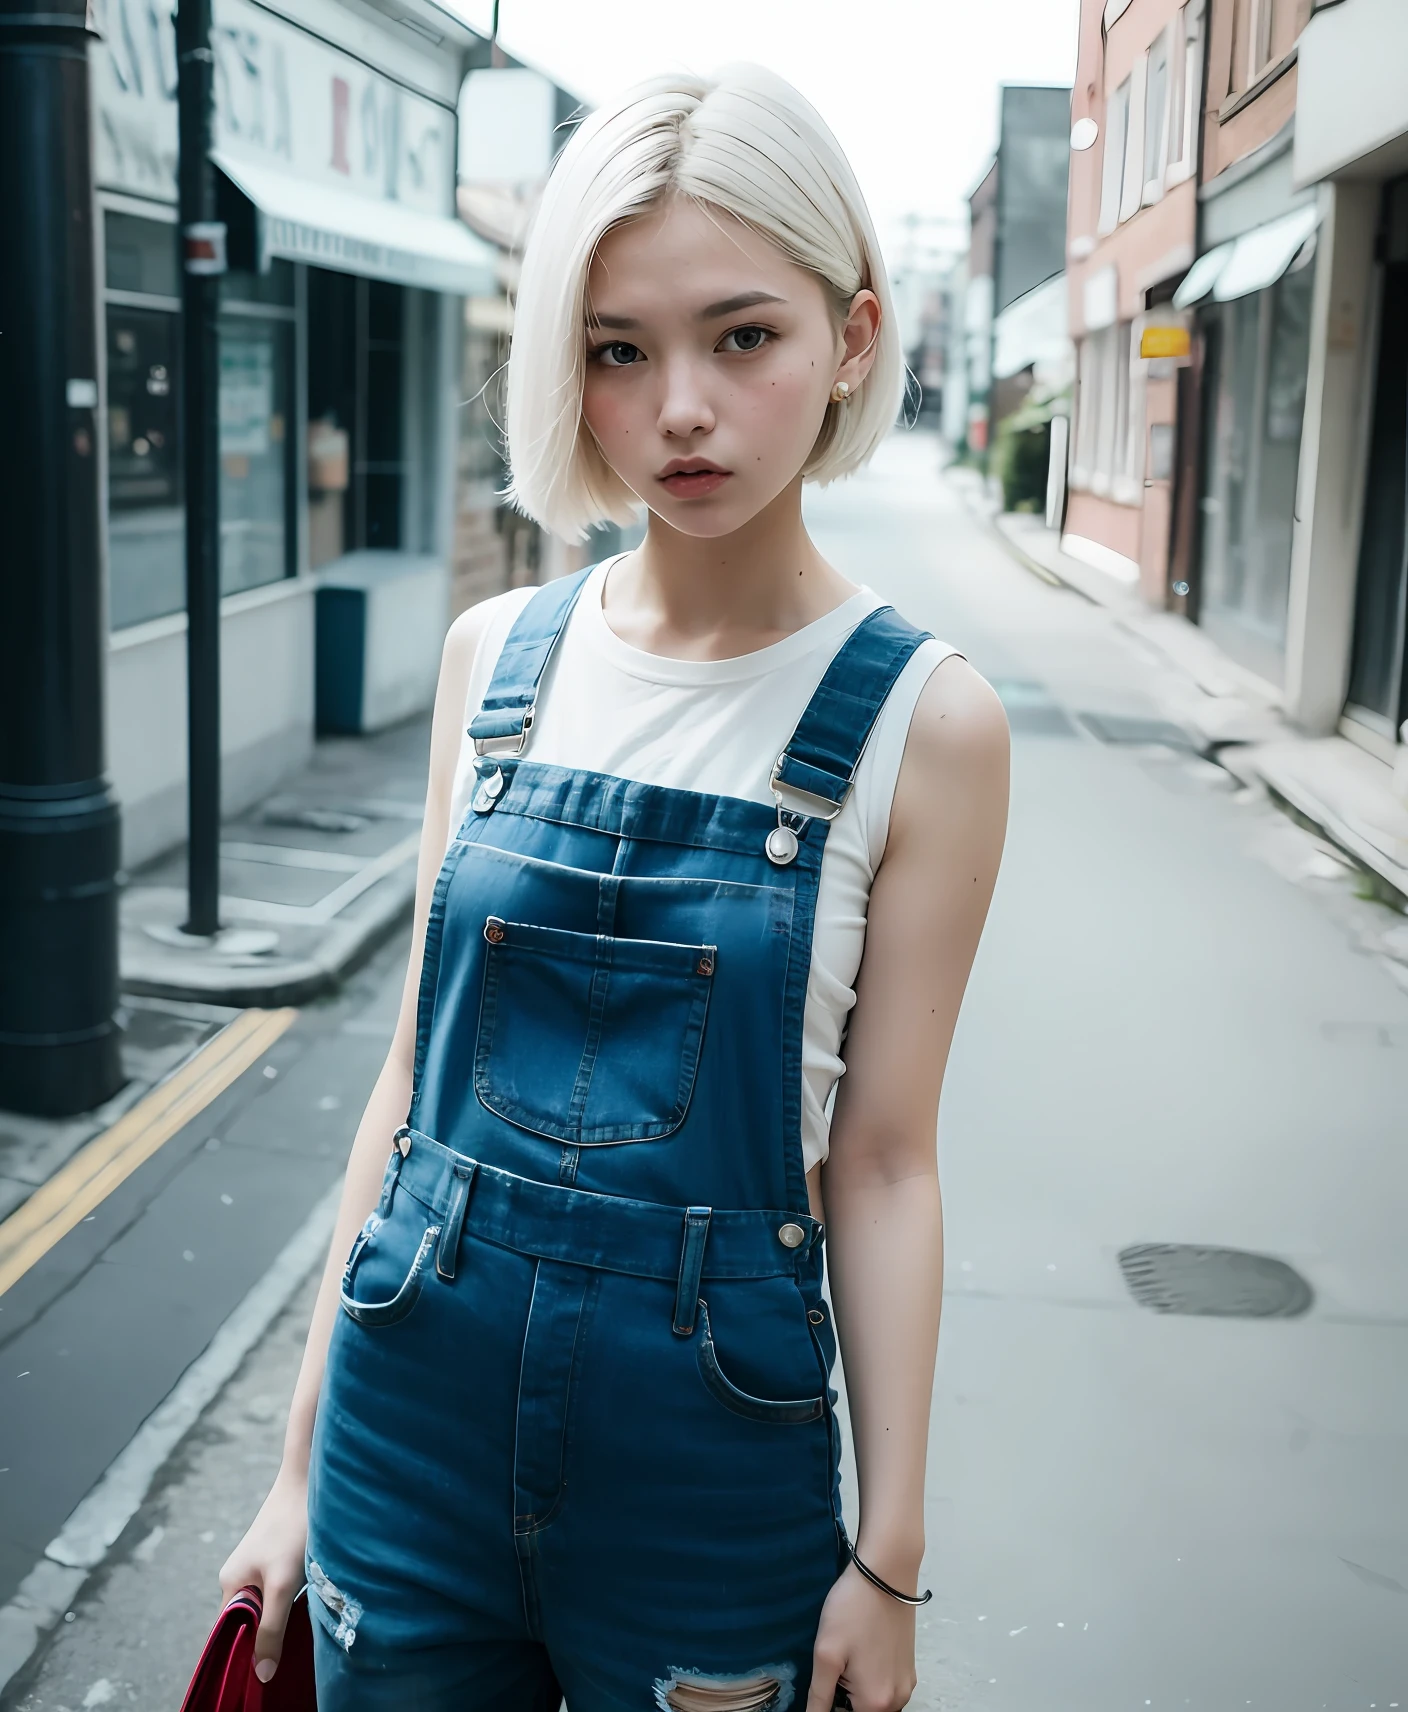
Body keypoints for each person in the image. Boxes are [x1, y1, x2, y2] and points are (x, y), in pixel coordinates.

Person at [221, 63, 1009, 1712]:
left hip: (713, 1470)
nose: (682, 410)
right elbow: (403, 1100)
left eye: (743, 335)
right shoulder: (490, 663)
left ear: (853, 337)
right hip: (404, 1433)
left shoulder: (925, 725)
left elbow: (879, 1163)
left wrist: (892, 1558)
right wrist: (298, 1465)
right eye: (617, 351)